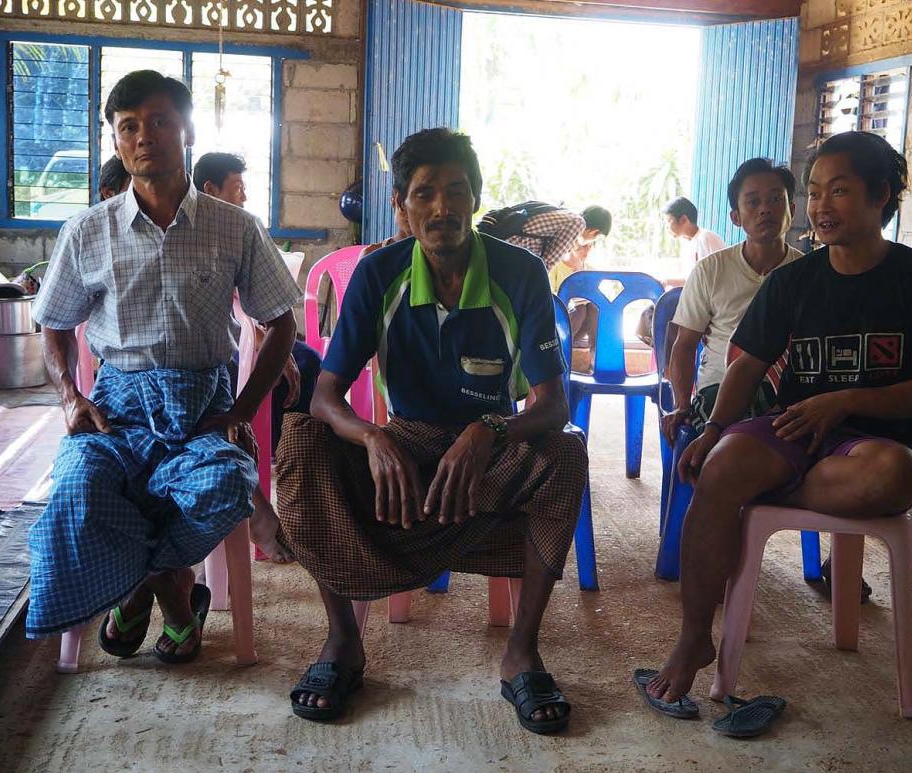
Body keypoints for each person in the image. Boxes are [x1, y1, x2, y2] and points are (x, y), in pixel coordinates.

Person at [638, 131, 912, 713]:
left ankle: (757, 489)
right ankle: (693, 638)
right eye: (815, 192)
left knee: (901, 476)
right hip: (789, 429)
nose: (820, 206)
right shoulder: (794, 281)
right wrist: (715, 428)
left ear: (881, 196)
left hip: (871, 442)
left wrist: (843, 401)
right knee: (720, 465)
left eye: (838, 191)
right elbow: (746, 368)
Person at [276, 128, 587, 733]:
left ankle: (521, 652)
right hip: (410, 445)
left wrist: (491, 429)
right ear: (401, 206)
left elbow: (553, 406)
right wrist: (372, 437)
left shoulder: (519, 272)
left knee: (567, 454)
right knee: (302, 441)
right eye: (424, 194)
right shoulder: (378, 275)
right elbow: (323, 397)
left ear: (475, 198)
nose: (441, 208)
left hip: (491, 450)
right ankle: (343, 641)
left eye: (455, 192)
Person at [26, 70, 300, 663]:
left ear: (186, 130)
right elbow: (53, 323)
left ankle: (132, 591)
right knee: (77, 488)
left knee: (225, 484)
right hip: (117, 414)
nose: (144, 136)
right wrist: (72, 399)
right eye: (129, 127)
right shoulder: (86, 232)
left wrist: (243, 410)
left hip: (205, 408)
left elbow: (281, 322)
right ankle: (176, 598)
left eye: (159, 122)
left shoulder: (237, 228)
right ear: (117, 143)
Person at [192, 151, 316, 563]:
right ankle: (255, 488)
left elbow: (256, 304)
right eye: (238, 188)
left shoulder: (241, 230)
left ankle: (294, 468)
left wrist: (267, 337)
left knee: (309, 363)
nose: (244, 196)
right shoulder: (187, 231)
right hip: (211, 347)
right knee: (231, 377)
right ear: (211, 190)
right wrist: (260, 336)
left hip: (246, 332)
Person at [661, 158, 802, 445]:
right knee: (734, 446)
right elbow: (685, 344)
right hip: (718, 390)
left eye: (777, 199)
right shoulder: (711, 270)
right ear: (736, 217)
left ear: (792, 210)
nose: (766, 209)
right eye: (752, 202)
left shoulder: (808, 272)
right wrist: (682, 405)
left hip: (785, 394)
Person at [478, 201, 610, 271]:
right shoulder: (577, 223)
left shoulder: (565, 214)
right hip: (504, 252)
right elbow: (546, 265)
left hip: (495, 244)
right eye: (595, 240)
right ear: (595, 232)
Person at [665, 196, 726, 278]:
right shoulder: (686, 245)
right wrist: (666, 282)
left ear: (684, 220)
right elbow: (690, 281)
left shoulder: (707, 238)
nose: (667, 226)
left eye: (669, 221)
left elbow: (721, 274)